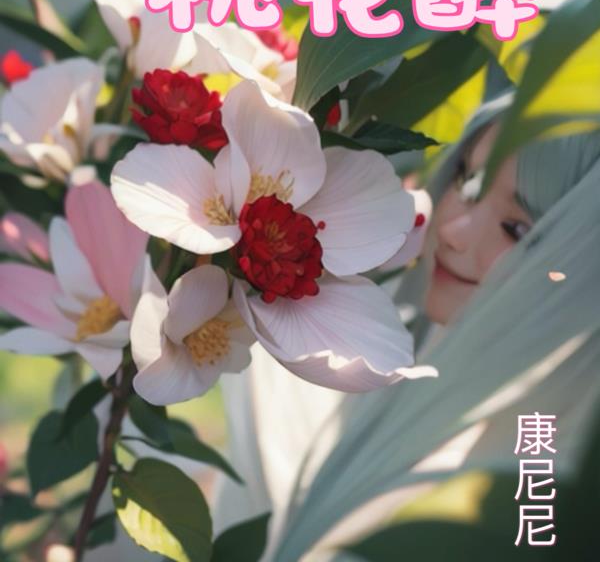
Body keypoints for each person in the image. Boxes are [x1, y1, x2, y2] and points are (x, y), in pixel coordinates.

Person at [214, 91, 600, 561]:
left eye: (516, 229)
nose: (453, 232)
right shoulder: (389, 358)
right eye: (467, 182)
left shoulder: (534, 478)